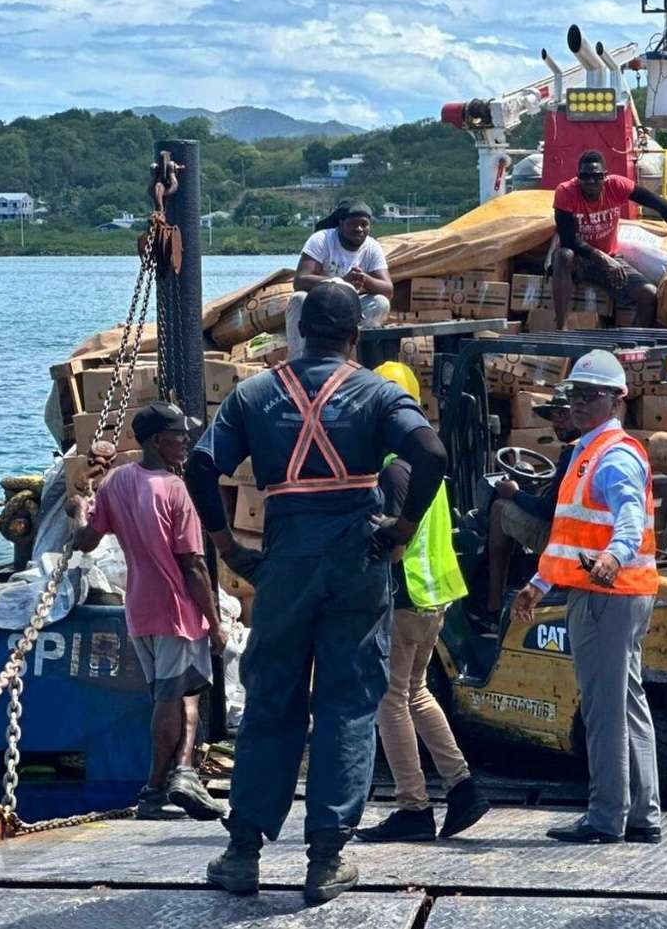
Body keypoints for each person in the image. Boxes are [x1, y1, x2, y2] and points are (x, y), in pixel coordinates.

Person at [183, 281, 447, 905]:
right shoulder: (378, 392)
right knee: (348, 702)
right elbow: (431, 450)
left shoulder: (253, 393)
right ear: (355, 334)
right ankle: (326, 859)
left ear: (298, 333)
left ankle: (244, 850)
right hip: (357, 555)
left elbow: (200, 466)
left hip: (286, 559)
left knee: (272, 698)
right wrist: (403, 528)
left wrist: (225, 547)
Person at [512, 350, 661, 845]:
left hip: (607, 594)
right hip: (613, 592)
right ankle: (642, 812)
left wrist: (615, 558)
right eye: (573, 394)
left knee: (603, 707)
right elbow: (570, 537)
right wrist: (539, 584)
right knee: (628, 701)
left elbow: (629, 518)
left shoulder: (613, 455)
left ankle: (606, 815)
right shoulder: (585, 452)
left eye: (588, 395)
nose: (577, 404)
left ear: (618, 400)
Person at [71, 401, 227, 824]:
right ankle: (157, 787)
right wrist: (215, 623)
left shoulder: (118, 481)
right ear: (159, 441)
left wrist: (81, 509)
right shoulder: (174, 490)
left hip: (138, 609)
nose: (186, 442)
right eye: (179, 435)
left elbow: (86, 540)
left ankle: (184, 771)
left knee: (182, 692)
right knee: (171, 697)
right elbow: (193, 565)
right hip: (177, 610)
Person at [358, 361, 491, 844]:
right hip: (435, 600)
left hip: (405, 599)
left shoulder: (394, 471)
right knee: (415, 693)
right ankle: (462, 786)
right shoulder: (429, 466)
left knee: (389, 701)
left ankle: (413, 806)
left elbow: (394, 543)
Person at [550, 149, 667, 330]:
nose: (591, 182)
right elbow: (569, 239)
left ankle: (631, 347)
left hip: (609, 259)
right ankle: (561, 328)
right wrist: (603, 258)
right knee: (563, 254)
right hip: (580, 260)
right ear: (578, 177)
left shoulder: (616, 186)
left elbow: (660, 205)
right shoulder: (565, 191)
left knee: (649, 294)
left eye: (596, 176)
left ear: (605, 177)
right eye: (585, 177)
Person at [483, 383, 579, 617]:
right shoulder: (592, 448)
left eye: (564, 415)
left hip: (563, 540)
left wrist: (515, 493)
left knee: (499, 508)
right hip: (578, 537)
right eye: (555, 416)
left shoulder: (573, 453)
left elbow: (548, 510)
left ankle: (493, 604)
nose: (558, 422)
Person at [287, 201, 393, 357]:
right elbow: (300, 280)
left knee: (380, 303)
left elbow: (388, 289)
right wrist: (342, 282)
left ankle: (354, 360)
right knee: (298, 299)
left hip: (350, 309)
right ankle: (299, 361)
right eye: (353, 224)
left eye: (364, 225)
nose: (359, 229)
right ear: (341, 223)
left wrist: (364, 279)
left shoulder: (372, 247)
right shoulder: (321, 240)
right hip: (319, 307)